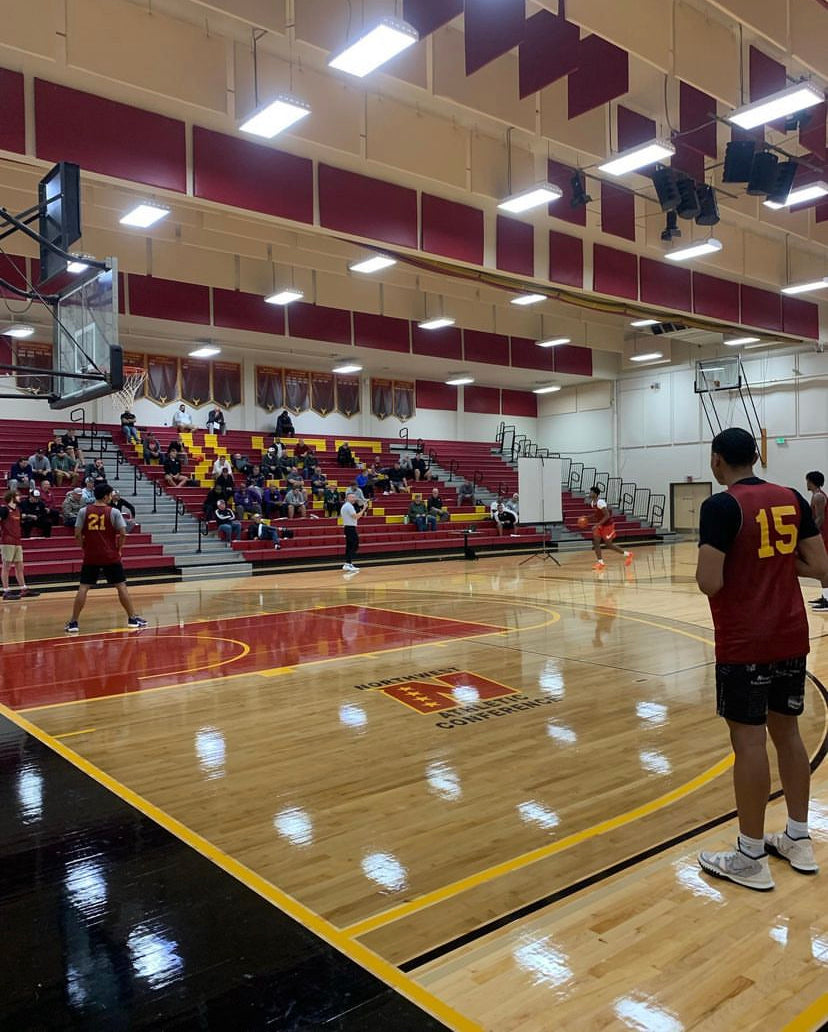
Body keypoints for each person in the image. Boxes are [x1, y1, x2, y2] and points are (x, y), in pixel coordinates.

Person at [696, 428, 828, 891]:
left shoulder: (720, 506)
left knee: (749, 744)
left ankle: (750, 853)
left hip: (745, 641)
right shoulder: (792, 496)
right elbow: (821, 567)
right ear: (756, 456)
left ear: (717, 461)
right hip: (791, 635)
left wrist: (746, 562)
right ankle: (797, 837)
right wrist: (774, 562)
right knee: (789, 735)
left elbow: (709, 582)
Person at [65, 483, 147, 633]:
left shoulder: (84, 511)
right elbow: (123, 533)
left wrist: (84, 547)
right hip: (110, 555)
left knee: (83, 587)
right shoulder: (114, 512)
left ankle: (73, 622)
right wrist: (119, 549)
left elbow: (77, 534)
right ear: (105, 496)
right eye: (110, 495)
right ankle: (132, 619)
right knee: (121, 586)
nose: (112, 497)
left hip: (91, 555)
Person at [1, 490, 38, 600]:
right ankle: (6, 591)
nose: (20, 498)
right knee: (6, 566)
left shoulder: (18, 510)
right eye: (18, 496)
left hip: (17, 541)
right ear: (12, 497)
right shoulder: (4, 510)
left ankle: (23, 588)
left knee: (19, 566)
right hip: (7, 541)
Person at [587, 485, 633, 570]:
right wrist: (587, 518)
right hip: (601, 525)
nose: (589, 493)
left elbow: (607, 515)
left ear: (595, 494)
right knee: (596, 542)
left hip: (608, 525)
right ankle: (600, 562)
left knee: (608, 545)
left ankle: (628, 554)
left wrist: (597, 524)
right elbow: (597, 514)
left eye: (591, 492)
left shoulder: (600, 502)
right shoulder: (592, 503)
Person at [805, 471, 828, 612]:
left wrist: (812, 535)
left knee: (824, 568)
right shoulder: (817, 495)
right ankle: (825, 596)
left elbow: (820, 518)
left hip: (824, 536)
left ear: (811, 481)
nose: (806, 483)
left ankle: (827, 599)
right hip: (822, 535)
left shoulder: (818, 496)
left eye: (807, 481)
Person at [340, 491, 363, 572]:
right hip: (350, 528)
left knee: (350, 546)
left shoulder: (347, 506)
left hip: (348, 528)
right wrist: (363, 509)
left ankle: (348, 563)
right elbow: (356, 516)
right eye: (352, 497)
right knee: (354, 545)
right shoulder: (349, 506)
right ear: (347, 498)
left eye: (354, 497)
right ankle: (348, 563)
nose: (354, 498)